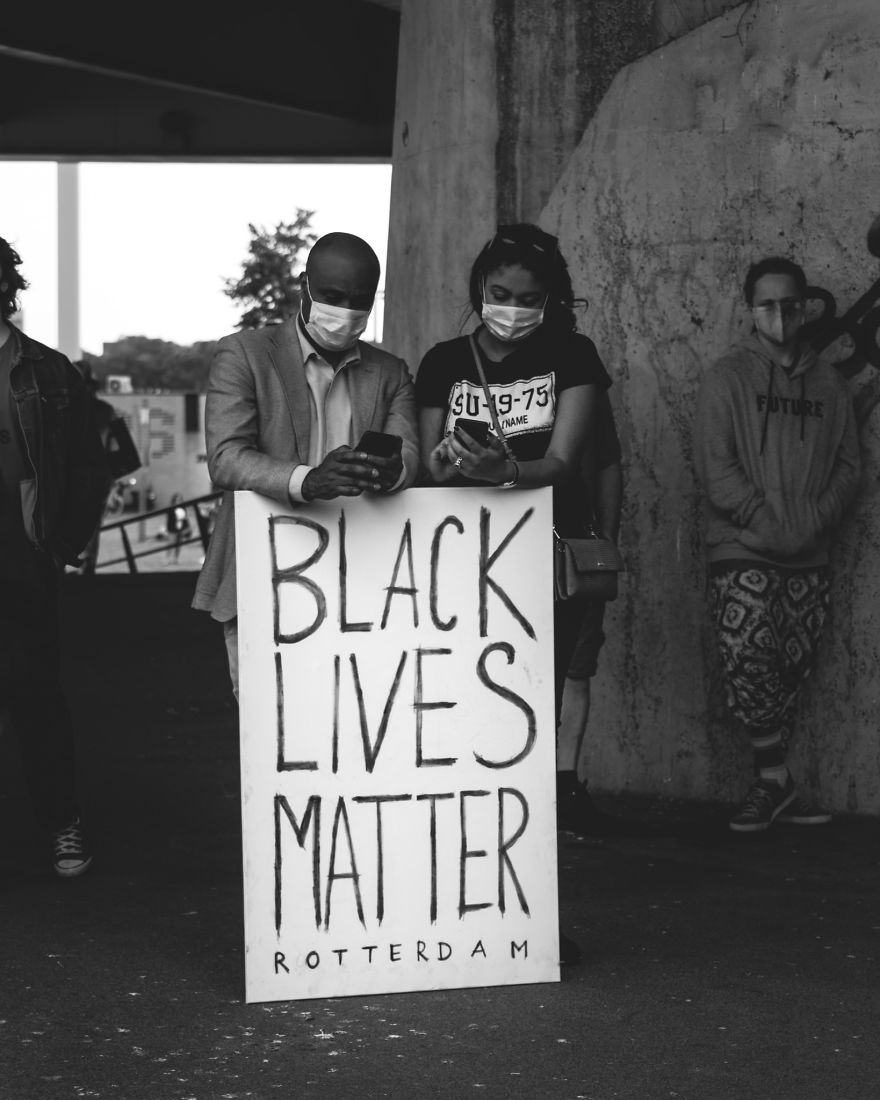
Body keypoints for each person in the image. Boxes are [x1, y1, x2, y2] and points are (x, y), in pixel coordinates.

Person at [414, 222, 610, 962]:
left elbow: (565, 461)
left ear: (549, 298)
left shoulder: (573, 356)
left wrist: (501, 469)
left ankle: (527, 912)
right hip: (464, 570)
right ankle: (461, 899)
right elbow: (432, 471)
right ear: (479, 291)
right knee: (462, 734)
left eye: (529, 298)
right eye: (500, 295)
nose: (512, 309)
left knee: (524, 738)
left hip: (543, 572)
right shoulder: (441, 362)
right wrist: (445, 462)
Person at [192, 232, 420, 695]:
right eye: (333, 297)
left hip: (366, 585)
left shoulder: (390, 371)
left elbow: (409, 456)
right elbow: (226, 458)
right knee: (273, 744)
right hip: (264, 581)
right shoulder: (244, 354)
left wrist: (388, 472)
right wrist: (309, 480)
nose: (346, 311)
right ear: (304, 286)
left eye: (359, 301)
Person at [694, 256, 860, 833]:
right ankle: (773, 779)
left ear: (806, 307)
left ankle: (775, 784)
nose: (781, 315)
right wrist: (761, 520)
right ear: (750, 310)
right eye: (768, 305)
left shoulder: (829, 384)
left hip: (809, 548)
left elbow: (848, 465)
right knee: (749, 656)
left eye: (790, 304)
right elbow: (716, 468)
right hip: (743, 545)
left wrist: (814, 518)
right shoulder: (727, 378)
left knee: (792, 666)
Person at [0, 236, 109, 875]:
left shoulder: (46, 370)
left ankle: (63, 824)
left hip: (23, 553)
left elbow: (88, 466)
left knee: (37, 693)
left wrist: (65, 542)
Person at [165, 491, 190, 562]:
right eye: (177, 499)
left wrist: (186, 527)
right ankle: (168, 558)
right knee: (171, 544)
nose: (178, 501)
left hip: (181, 528)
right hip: (172, 529)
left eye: (180, 499)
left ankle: (176, 558)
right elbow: (169, 520)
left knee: (178, 544)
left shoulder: (183, 508)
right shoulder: (171, 509)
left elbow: (185, 519)